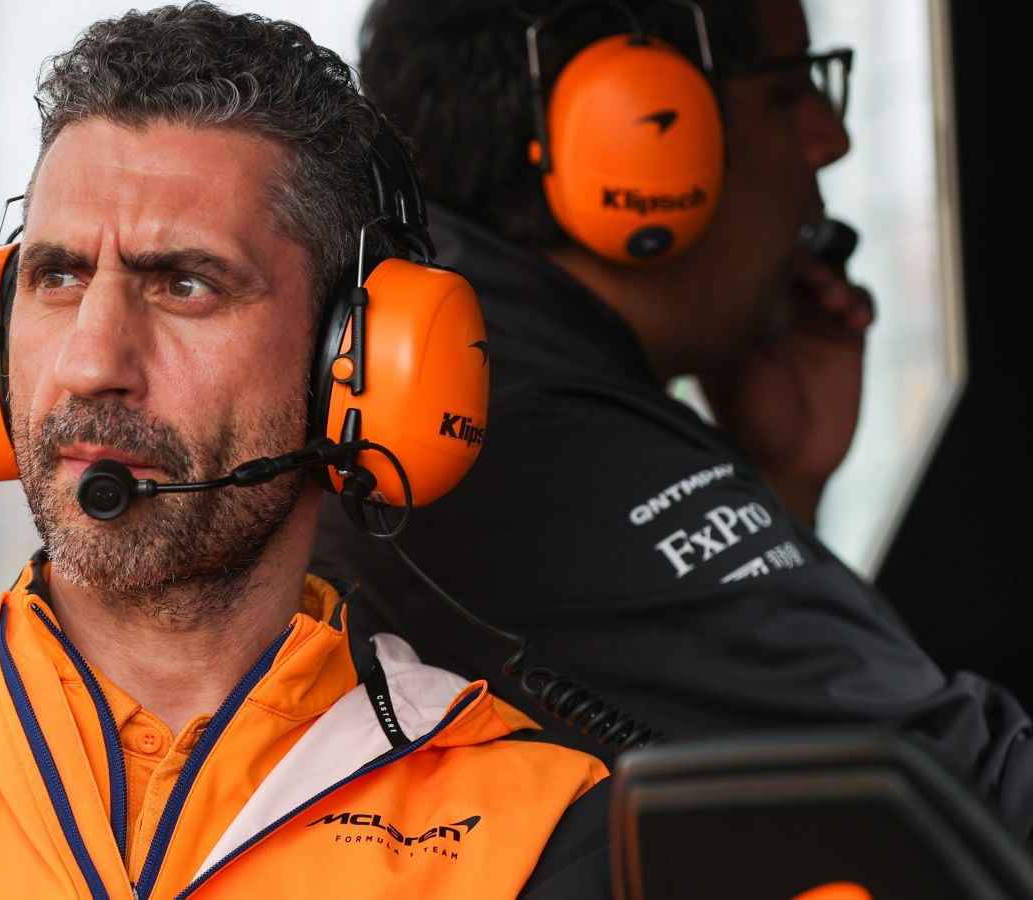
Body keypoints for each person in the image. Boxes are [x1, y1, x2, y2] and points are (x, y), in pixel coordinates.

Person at [0, 4, 613, 898]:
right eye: (57, 277)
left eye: (185, 285)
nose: (91, 361)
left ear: (353, 361)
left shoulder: (541, 832)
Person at [312, 0, 1033, 839]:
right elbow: (977, 798)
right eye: (789, 88)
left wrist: (783, 482)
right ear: (636, 121)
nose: (829, 138)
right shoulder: (536, 436)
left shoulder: (486, 344)